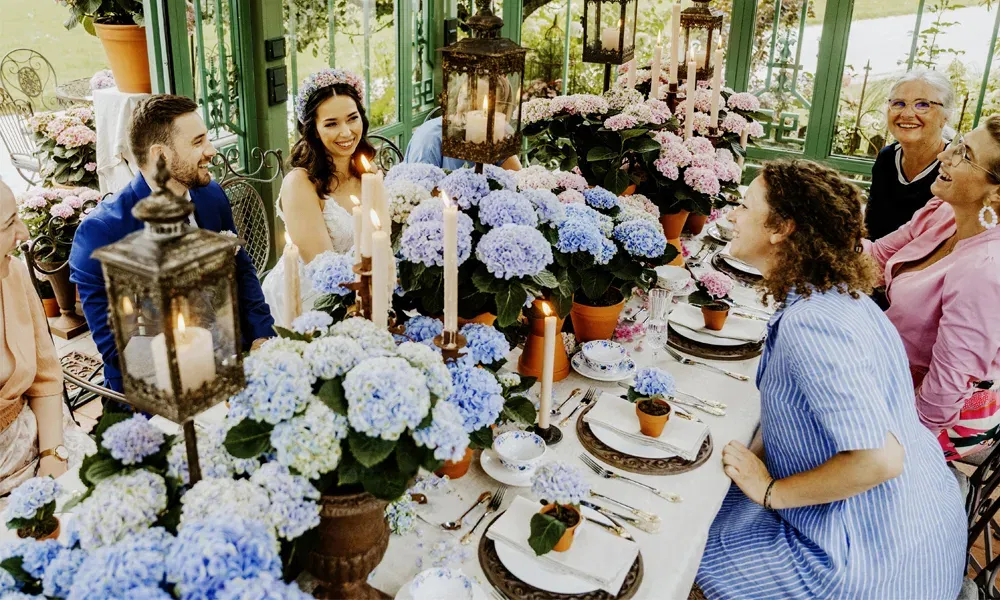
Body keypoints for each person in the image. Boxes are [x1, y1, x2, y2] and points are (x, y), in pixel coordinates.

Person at [695, 160, 965, 599]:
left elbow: (880, 460)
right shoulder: (843, 296)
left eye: (744, 207)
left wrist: (771, 492)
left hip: (873, 565)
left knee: (690, 539)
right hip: (919, 518)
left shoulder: (812, 323)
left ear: (782, 229)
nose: (731, 216)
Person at [70, 95, 274, 394]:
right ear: (161, 156)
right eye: (198, 142)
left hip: (237, 360)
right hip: (158, 391)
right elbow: (119, 347)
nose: (211, 151)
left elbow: (243, 273)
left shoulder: (211, 196)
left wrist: (260, 337)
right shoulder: (102, 233)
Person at [864, 116, 1000, 462]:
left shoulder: (985, 269)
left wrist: (891, 452)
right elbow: (877, 257)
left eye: (964, 155)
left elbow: (944, 393)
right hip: (890, 372)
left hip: (939, 416)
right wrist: (807, 236)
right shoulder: (944, 210)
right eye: (957, 144)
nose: (945, 156)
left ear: (996, 191)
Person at [0, 177, 94, 497]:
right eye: (9, 223)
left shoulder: (11, 274)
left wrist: (53, 455)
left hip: (45, 440)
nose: (24, 234)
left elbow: (45, 377)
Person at [261, 69, 375, 324]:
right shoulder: (300, 184)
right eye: (331, 124)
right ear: (313, 130)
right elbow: (323, 269)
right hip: (313, 298)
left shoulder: (369, 171)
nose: (346, 133)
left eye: (352, 118)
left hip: (367, 285)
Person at [866, 69, 954, 242]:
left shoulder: (954, 167)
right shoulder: (887, 157)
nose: (906, 114)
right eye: (898, 103)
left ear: (946, 117)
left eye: (922, 105)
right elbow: (871, 225)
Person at [405, 76, 522, 171]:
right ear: (459, 96)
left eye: (481, 108)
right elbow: (420, 192)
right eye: (467, 98)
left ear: (499, 110)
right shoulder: (430, 138)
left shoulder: (496, 131)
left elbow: (517, 179)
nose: (471, 110)